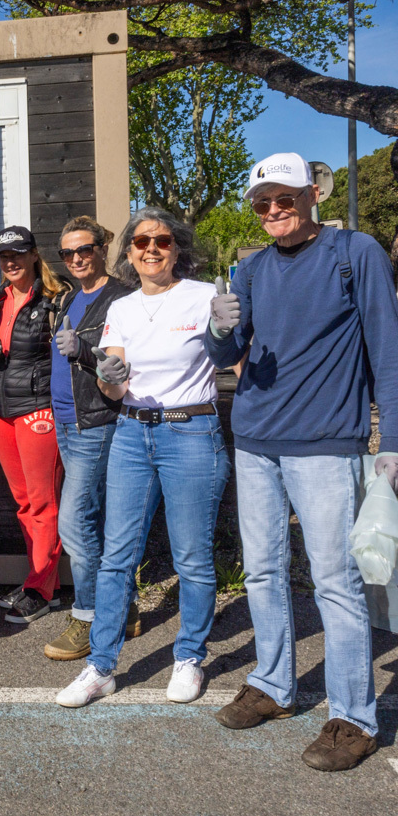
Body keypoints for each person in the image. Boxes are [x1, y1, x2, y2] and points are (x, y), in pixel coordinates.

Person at [204, 152, 398, 771]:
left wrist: (393, 441)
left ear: (314, 194)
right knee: (262, 571)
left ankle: (354, 719)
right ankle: (273, 685)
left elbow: (388, 351)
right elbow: (228, 353)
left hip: (325, 444)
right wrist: (219, 330)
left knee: (335, 581)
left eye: (284, 198)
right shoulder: (251, 269)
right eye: (262, 202)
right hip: (255, 440)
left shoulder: (355, 253)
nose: (272, 210)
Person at [56, 208, 229, 709]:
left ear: (177, 248)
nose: (152, 248)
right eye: (141, 242)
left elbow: (235, 360)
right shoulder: (123, 307)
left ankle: (189, 656)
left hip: (191, 431)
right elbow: (114, 386)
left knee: (191, 557)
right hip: (132, 431)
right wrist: (107, 374)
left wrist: (226, 334)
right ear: (129, 252)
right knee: (117, 557)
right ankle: (101, 667)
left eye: (163, 240)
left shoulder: (203, 295)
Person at [43, 217, 137, 660]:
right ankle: (123, 608)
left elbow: (124, 363)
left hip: (96, 423)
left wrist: (82, 351)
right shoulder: (69, 298)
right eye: (68, 253)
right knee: (94, 520)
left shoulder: (121, 298)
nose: (77, 258)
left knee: (75, 522)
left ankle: (90, 616)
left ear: (102, 248)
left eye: (85, 249)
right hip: (66, 422)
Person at [0, 226, 68, 625]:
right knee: (23, 504)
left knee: (43, 502)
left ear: (34, 254)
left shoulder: (55, 297)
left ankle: (39, 590)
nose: (11, 262)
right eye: (5, 256)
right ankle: (42, 581)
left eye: (18, 254)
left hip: (38, 410)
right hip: (2, 410)